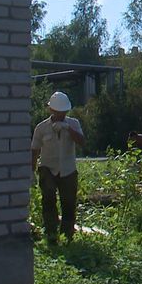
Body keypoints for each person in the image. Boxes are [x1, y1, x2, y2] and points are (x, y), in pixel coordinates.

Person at [31, 91, 85, 244]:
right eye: (58, 112)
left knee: (68, 202)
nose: (61, 115)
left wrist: (68, 129)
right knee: (48, 200)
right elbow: (35, 149)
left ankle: (67, 235)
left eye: (64, 112)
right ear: (51, 110)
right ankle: (51, 233)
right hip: (48, 168)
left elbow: (82, 141)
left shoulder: (73, 123)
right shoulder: (41, 128)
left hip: (68, 169)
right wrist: (32, 170)